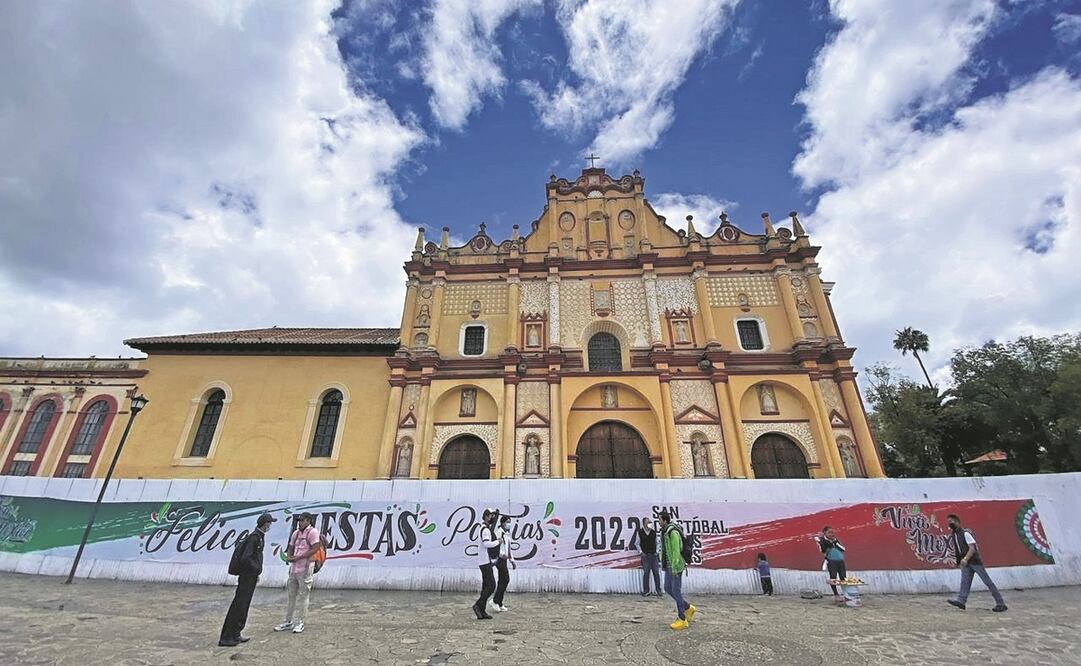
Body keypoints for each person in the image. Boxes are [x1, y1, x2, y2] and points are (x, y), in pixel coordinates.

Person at [219, 512, 275, 647]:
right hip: (246, 577)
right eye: (269, 523)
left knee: (244, 606)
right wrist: (255, 568)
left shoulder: (259, 537)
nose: (270, 526)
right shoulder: (254, 538)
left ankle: (236, 633)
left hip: (251, 576)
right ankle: (228, 637)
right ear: (265, 524)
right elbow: (246, 558)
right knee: (239, 605)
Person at [946, 513, 1007, 612]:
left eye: (951, 521)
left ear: (957, 522)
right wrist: (960, 561)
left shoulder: (966, 533)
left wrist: (966, 558)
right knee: (965, 583)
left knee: (987, 582)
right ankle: (961, 601)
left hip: (974, 562)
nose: (949, 523)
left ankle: (1001, 603)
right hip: (965, 563)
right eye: (948, 522)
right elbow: (958, 549)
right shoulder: (954, 535)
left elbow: (972, 548)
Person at [274, 512, 322, 634]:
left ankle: (300, 622)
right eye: (299, 520)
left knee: (303, 595)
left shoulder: (313, 532)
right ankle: (288, 621)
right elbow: (291, 546)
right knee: (291, 595)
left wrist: (299, 557)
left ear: (308, 521)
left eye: (302, 520)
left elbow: (315, 548)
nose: (300, 522)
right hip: (294, 568)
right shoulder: (296, 533)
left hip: (306, 568)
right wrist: (289, 557)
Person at [659, 511, 696, 631]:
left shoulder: (673, 532)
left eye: (660, 520)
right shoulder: (665, 532)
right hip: (669, 565)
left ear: (665, 520)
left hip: (675, 565)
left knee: (676, 591)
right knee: (667, 588)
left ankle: (682, 619)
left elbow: (676, 550)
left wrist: (674, 567)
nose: (659, 522)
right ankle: (688, 607)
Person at [473, 508, 500, 620]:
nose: (492, 517)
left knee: (485, 587)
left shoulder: (484, 528)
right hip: (485, 562)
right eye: (491, 515)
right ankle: (478, 605)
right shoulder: (485, 530)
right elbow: (486, 544)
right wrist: (498, 542)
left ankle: (482, 610)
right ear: (486, 516)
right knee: (492, 585)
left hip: (484, 561)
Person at [817, 526, 847, 599]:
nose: (831, 534)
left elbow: (843, 549)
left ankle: (846, 594)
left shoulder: (835, 540)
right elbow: (822, 550)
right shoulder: (822, 541)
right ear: (825, 533)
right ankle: (836, 595)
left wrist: (835, 542)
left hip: (840, 561)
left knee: (843, 578)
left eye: (832, 532)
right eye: (829, 532)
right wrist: (822, 542)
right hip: (832, 561)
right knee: (833, 578)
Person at [492, 514, 514, 612]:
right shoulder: (499, 533)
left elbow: (508, 548)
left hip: (505, 560)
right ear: (502, 523)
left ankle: (499, 602)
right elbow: (495, 547)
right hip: (499, 559)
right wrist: (502, 555)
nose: (509, 524)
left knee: (503, 580)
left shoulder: (507, 534)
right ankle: (495, 601)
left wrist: (512, 560)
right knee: (505, 579)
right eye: (507, 522)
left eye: (510, 522)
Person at [635, 517, 662, 596]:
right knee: (646, 573)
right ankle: (646, 590)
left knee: (656, 572)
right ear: (644, 523)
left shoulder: (653, 532)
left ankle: (658, 590)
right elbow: (637, 543)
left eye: (650, 522)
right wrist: (641, 552)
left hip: (654, 555)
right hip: (645, 556)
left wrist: (657, 551)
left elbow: (658, 543)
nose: (649, 523)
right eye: (648, 522)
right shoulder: (640, 532)